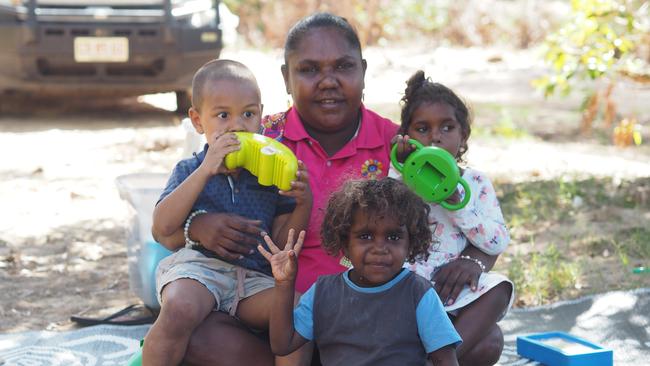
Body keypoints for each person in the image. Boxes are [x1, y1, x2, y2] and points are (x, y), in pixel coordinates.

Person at [149, 12, 400, 366]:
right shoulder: (260, 142)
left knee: (301, 318)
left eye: (343, 67)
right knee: (191, 326)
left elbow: (447, 213)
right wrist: (199, 226)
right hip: (243, 299)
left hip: (344, 303)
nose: (327, 82)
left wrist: (303, 200)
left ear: (362, 70)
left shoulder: (395, 145)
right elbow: (165, 232)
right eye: (309, 70)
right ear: (286, 77)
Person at [143, 59, 312, 366]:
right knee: (179, 308)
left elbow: (281, 241)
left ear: (261, 115)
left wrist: (303, 203)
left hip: (253, 278)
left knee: (297, 313)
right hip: (199, 269)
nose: (237, 125)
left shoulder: (269, 174)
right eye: (223, 115)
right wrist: (207, 170)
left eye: (248, 114)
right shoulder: (190, 168)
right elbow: (162, 225)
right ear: (197, 121)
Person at [258, 178, 461, 366]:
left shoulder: (418, 293)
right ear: (345, 243)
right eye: (365, 236)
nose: (379, 248)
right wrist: (284, 285)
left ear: (411, 244)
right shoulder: (323, 292)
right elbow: (282, 345)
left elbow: (445, 360)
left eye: (393, 237)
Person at [391, 70, 514, 366]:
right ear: (407, 137)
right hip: (407, 293)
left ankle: (435, 362)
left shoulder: (475, 182)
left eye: (447, 127)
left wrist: (458, 203)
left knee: (500, 293)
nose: (435, 136)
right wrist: (403, 172)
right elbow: (385, 224)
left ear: (463, 137)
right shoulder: (398, 178)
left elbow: (496, 241)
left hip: (453, 296)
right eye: (423, 128)